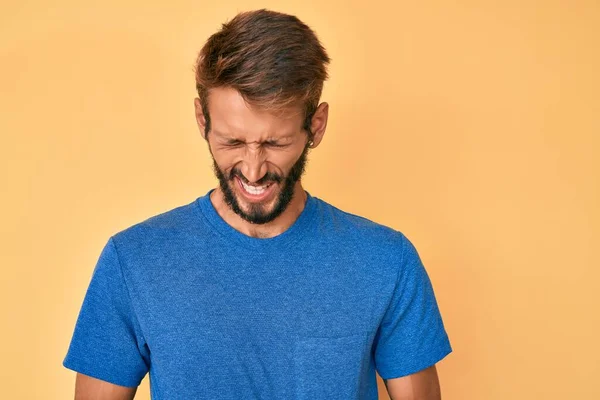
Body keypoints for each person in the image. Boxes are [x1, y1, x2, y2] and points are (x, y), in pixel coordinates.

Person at [62, 8, 452, 400]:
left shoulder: (385, 260)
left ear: (315, 127)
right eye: (232, 142)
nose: (252, 169)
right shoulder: (133, 260)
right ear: (202, 120)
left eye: (275, 143)